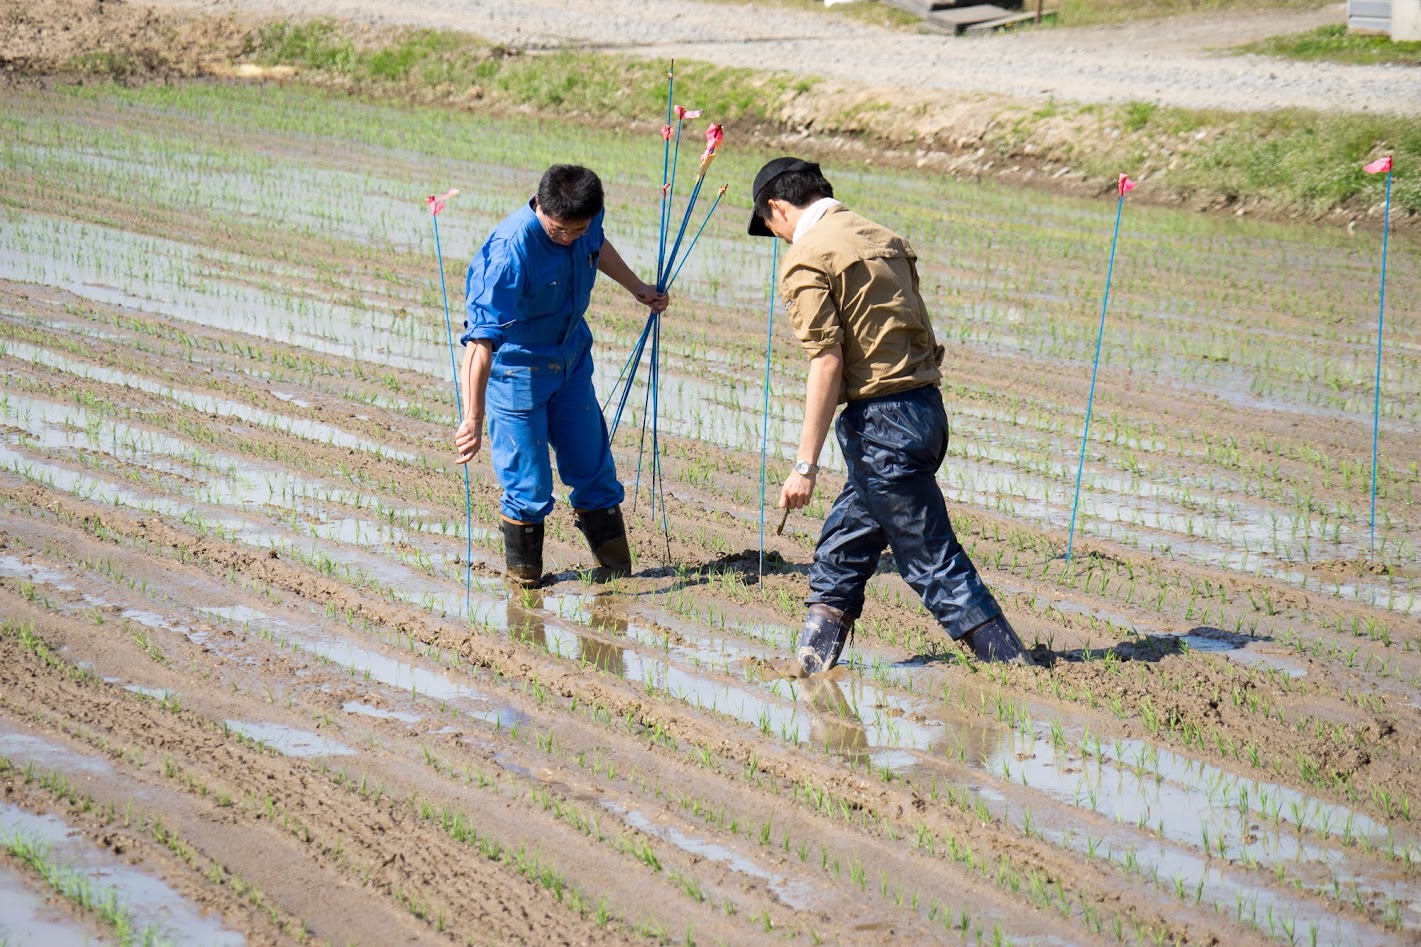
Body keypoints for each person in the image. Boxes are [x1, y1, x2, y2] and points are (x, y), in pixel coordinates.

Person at [748, 157, 1034, 669]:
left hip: (883, 423)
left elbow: (827, 359)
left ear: (777, 208)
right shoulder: (885, 238)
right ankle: (810, 667)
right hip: (924, 412)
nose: (779, 239)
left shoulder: (807, 256)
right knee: (844, 545)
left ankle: (1014, 667)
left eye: (772, 229)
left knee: (928, 555)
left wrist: (804, 465)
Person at [455, 164, 668, 588]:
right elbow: (480, 343)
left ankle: (617, 574)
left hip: (570, 361)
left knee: (594, 469)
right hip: (517, 372)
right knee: (529, 487)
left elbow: (596, 245)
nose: (568, 237)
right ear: (541, 206)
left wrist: (637, 288)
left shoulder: (585, 222)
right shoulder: (509, 252)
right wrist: (473, 418)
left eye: (577, 229)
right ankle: (524, 583)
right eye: (559, 231)